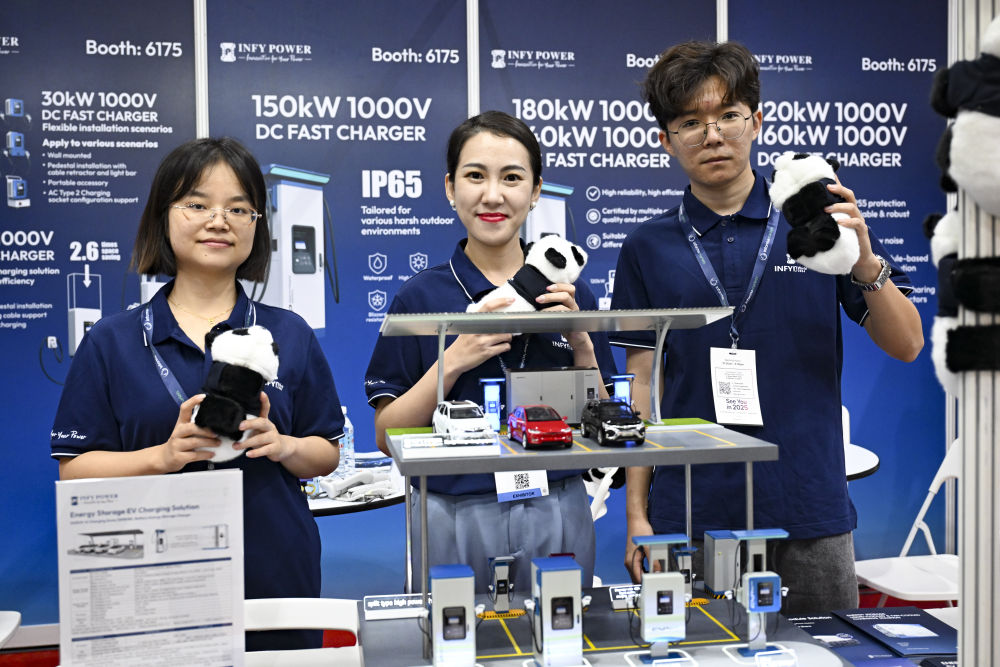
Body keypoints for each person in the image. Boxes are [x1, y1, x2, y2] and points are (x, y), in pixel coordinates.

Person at [611, 41, 923, 614]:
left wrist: (863, 260)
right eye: (690, 123)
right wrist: (637, 513)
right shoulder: (646, 247)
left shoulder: (816, 224)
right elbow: (641, 388)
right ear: (666, 140)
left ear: (756, 122)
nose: (712, 135)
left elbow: (906, 344)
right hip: (692, 510)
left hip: (810, 505)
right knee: (691, 650)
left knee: (826, 648)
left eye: (728, 115)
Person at [50, 137, 345, 650]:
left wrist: (284, 446)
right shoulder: (113, 341)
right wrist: (162, 457)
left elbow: (326, 452)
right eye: (198, 204)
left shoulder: (288, 333)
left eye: (239, 208)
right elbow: (74, 469)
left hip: (273, 572)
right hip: (151, 578)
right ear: (162, 216)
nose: (219, 221)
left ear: (257, 225)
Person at [364, 111, 618, 593]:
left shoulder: (570, 293)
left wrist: (581, 342)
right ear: (450, 187)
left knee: (561, 630)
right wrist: (456, 357)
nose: (493, 195)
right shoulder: (420, 298)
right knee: (453, 632)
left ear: (536, 190)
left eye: (512, 178)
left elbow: (604, 427)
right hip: (450, 508)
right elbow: (385, 435)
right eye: (476, 176)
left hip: (558, 502)